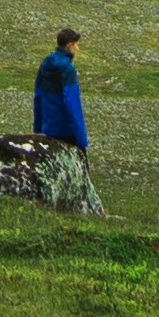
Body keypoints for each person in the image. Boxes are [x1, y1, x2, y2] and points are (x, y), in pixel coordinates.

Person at [31, 27, 96, 209]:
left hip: (47, 129)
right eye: (76, 45)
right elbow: (72, 103)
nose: (77, 49)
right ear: (69, 46)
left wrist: (37, 131)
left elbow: (38, 97)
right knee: (81, 177)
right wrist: (81, 139)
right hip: (66, 131)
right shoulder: (67, 69)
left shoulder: (46, 64)